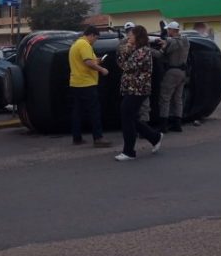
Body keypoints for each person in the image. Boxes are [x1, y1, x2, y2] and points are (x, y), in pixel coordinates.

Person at [115, 25, 163, 161]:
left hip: (138, 89)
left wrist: (127, 49)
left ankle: (129, 151)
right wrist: (127, 49)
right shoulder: (135, 49)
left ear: (138, 36)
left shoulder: (143, 51)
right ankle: (155, 137)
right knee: (130, 117)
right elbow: (120, 62)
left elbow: (127, 66)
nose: (129, 37)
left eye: (131, 34)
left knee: (126, 115)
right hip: (130, 87)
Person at [68, 26, 112, 147]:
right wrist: (102, 69)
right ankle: (98, 138)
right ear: (91, 35)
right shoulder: (84, 44)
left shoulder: (76, 44)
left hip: (76, 83)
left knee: (77, 112)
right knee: (94, 111)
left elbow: (86, 61)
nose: (95, 41)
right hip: (86, 83)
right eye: (95, 38)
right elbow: (87, 62)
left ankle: (76, 138)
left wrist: (96, 60)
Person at [157, 21, 189, 133]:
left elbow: (163, 53)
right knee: (178, 99)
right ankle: (177, 124)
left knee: (165, 98)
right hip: (183, 73)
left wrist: (163, 43)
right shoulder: (186, 40)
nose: (167, 31)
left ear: (172, 30)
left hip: (172, 71)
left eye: (168, 29)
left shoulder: (171, 42)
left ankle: (163, 126)